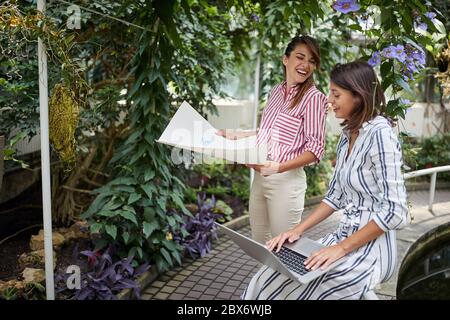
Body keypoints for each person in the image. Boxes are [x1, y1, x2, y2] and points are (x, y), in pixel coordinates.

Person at [242, 60, 409, 300]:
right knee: (269, 275)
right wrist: (296, 231)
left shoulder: (380, 134)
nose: (329, 100)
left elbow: (396, 211)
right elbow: (335, 197)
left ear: (358, 96)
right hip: (342, 238)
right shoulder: (347, 136)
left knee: (311, 288)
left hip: (371, 250)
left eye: (336, 94)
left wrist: (340, 249)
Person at [217, 35, 328, 244]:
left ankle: (285, 278)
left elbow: (315, 150)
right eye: (300, 57)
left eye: (311, 61)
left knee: (283, 248)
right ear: (285, 59)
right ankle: (266, 278)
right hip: (261, 178)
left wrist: (278, 168)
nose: (305, 65)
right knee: (260, 242)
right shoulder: (276, 92)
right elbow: (267, 131)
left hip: (286, 183)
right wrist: (235, 134)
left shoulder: (314, 98)